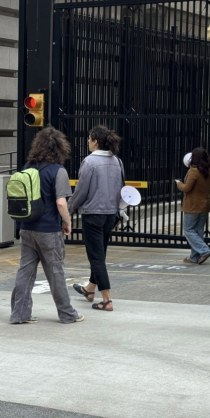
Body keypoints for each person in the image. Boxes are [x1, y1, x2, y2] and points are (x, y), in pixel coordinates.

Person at [10, 127, 83, 324]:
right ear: (61, 148)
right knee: (56, 272)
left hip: (26, 227)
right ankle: (67, 313)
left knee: (25, 271)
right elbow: (61, 203)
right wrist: (68, 222)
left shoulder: (28, 166)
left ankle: (20, 313)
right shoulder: (58, 171)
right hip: (48, 230)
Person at [68, 125, 124, 312]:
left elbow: (81, 190)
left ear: (95, 142)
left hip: (93, 214)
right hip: (110, 214)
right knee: (100, 254)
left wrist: (69, 207)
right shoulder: (117, 161)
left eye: (89, 139)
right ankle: (89, 289)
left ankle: (106, 300)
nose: (88, 142)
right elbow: (121, 188)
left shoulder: (90, 162)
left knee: (96, 257)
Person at [176, 147, 210, 265]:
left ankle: (204, 250)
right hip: (204, 205)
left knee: (188, 230)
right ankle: (194, 257)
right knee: (198, 231)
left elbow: (187, 188)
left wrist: (179, 184)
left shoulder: (194, 171)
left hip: (192, 206)